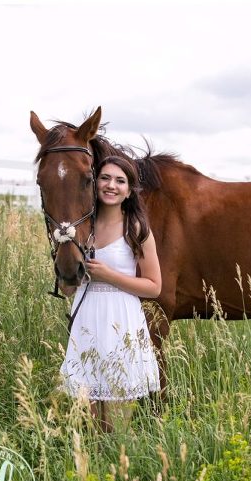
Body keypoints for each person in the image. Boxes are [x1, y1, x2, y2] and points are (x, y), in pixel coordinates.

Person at [60, 155, 162, 432]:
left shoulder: (136, 228)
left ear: (129, 190)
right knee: (91, 424)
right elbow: (68, 286)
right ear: (95, 183)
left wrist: (109, 275)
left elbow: (154, 286)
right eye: (105, 178)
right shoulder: (83, 228)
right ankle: (92, 470)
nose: (111, 185)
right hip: (87, 320)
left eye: (120, 181)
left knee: (116, 426)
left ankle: (121, 469)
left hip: (121, 321)